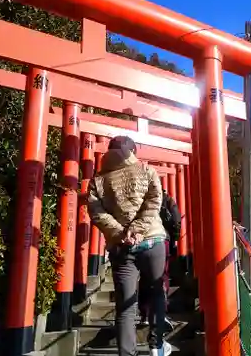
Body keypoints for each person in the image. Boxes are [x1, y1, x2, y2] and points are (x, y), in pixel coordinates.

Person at [88, 135, 171, 356]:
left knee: (125, 308)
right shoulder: (146, 170)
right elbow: (155, 200)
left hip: (122, 247)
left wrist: (121, 233)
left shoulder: (97, 180)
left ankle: (127, 353)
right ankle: (157, 346)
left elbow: (97, 213)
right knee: (156, 294)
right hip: (152, 240)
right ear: (132, 151)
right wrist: (139, 229)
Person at [138, 189, 181, 330]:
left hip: (143, 240)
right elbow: (176, 220)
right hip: (163, 241)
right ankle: (160, 312)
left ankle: (144, 313)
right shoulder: (167, 199)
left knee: (144, 277)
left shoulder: (141, 199)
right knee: (162, 276)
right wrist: (175, 239)